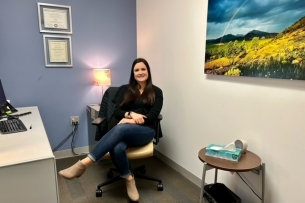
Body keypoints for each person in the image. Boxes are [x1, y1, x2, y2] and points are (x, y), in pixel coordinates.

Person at [58, 58, 163, 202]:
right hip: (125, 130)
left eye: (143, 69)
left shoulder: (156, 92)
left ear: (148, 71)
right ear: (133, 73)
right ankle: (129, 179)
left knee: (121, 128)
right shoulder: (126, 89)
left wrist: (129, 121)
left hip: (145, 131)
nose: (140, 72)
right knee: (117, 147)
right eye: (137, 70)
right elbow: (117, 112)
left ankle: (84, 164)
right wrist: (130, 114)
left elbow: (152, 116)